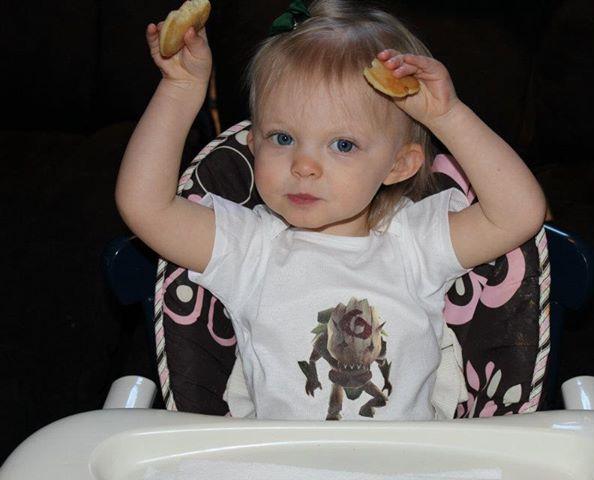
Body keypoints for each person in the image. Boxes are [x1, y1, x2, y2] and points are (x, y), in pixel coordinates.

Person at [115, 0, 546, 421]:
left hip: (409, 458)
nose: (304, 165)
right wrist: (180, 89)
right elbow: (146, 207)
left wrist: (447, 116)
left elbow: (519, 213)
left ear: (398, 165)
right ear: (253, 145)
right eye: (283, 138)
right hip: (278, 458)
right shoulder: (248, 248)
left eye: (343, 144)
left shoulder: (415, 243)